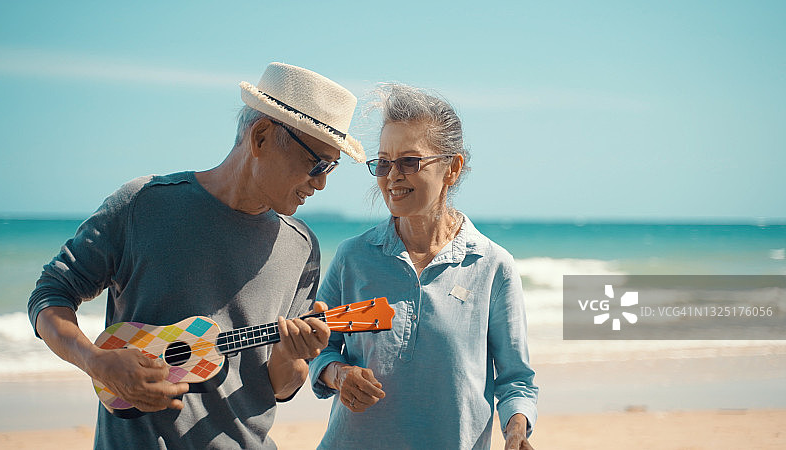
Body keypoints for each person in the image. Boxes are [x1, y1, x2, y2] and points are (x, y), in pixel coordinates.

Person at [27, 62, 365, 449]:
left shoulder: (302, 247)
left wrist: (293, 355)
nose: (321, 183)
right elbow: (50, 294)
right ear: (261, 137)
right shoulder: (143, 205)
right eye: (316, 164)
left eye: (332, 168)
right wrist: (94, 360)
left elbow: (278, 387)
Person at [308, 84, 538, 449]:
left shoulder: (493, 266)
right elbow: (320, 346)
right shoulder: (354, 257)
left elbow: (516, 380)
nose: (392, 176)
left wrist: (515, 432)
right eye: (384, 162)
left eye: (409, 162)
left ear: (452, 168)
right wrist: (340, 375)